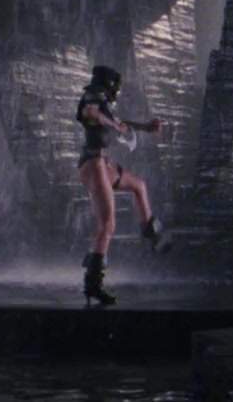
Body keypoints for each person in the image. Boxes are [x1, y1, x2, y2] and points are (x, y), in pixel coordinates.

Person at [76, 65, 171, 306]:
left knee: (139, 185)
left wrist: (145, 127)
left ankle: (151, 232)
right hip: (94, 165)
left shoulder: (102, 106)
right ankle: (93, 283)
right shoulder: (91, 101)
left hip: (103, 164)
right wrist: (114, 125)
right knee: (107, 224)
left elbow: (117, 121)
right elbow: (92, 113)